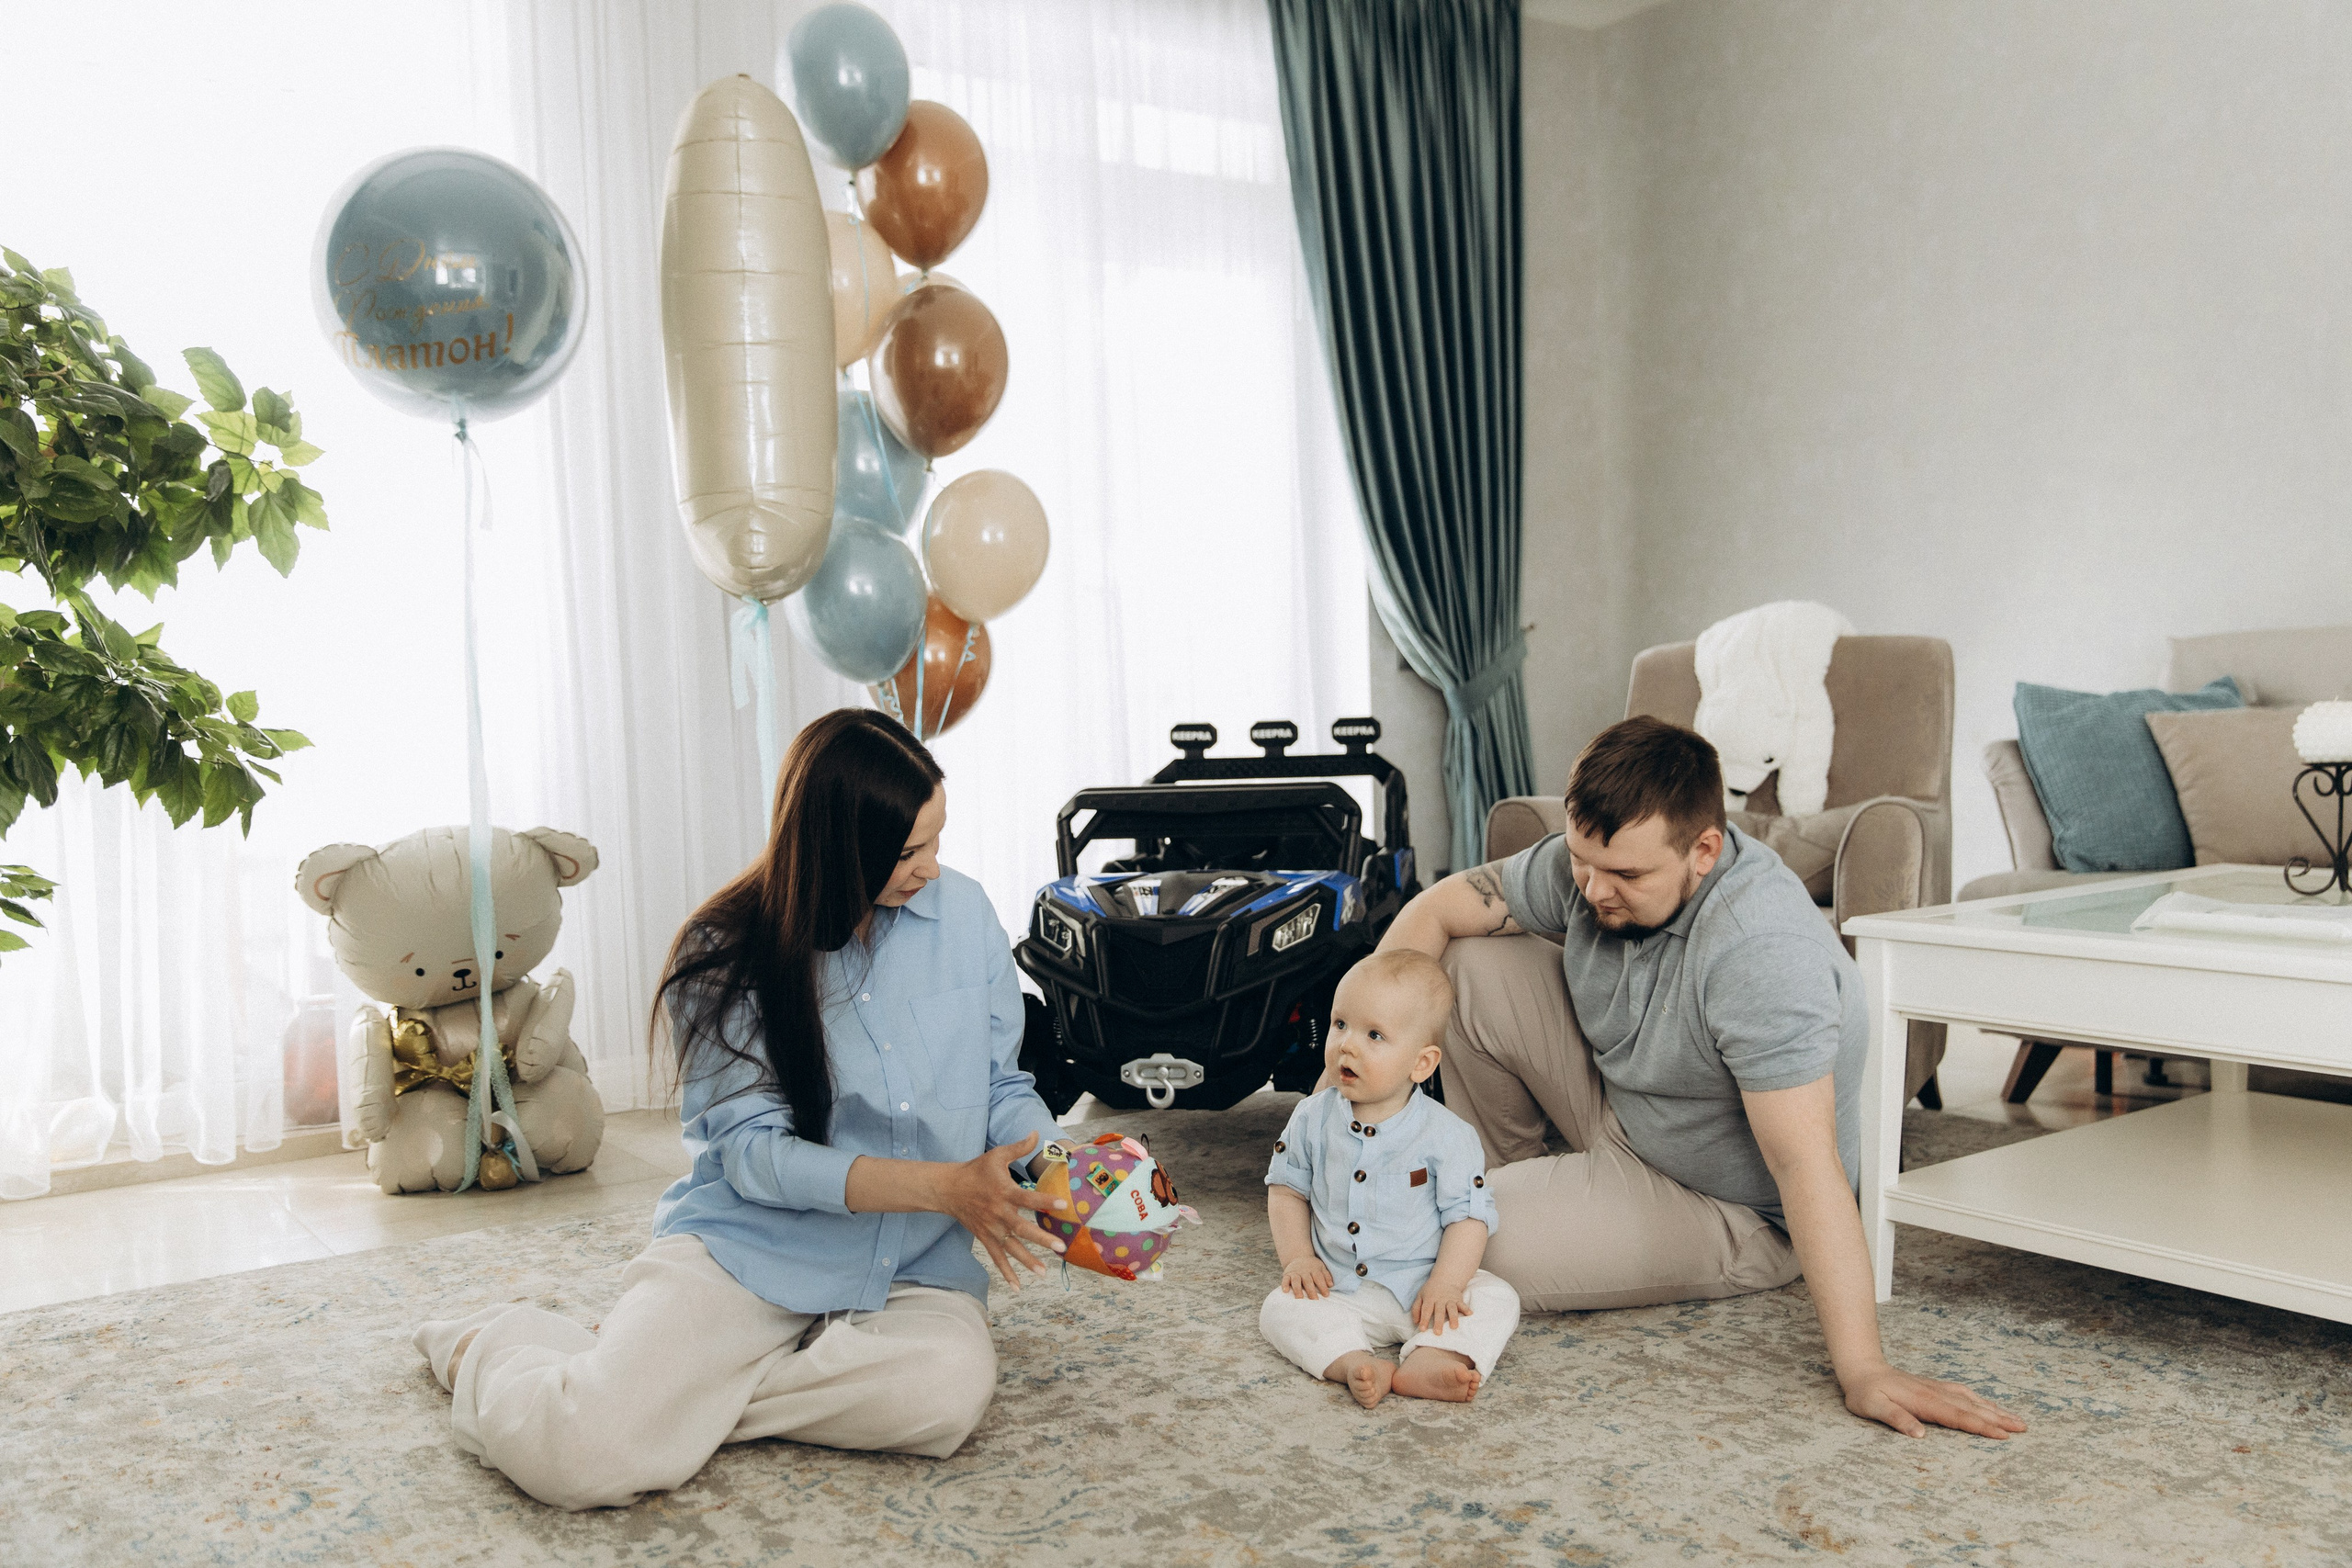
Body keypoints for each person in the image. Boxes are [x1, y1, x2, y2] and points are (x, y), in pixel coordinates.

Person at [411, 708, 1071, 1509]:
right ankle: (497, 1347)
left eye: (937, 839)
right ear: (839, 850)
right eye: (908, 852)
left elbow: (1003, 1086)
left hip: (914, 1266)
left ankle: (667, 1392)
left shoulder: (963, 916)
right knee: (582, 1457)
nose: (932, 868)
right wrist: (946, 1186)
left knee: (942, 1395)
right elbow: (757, 1160)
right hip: (752, 1249)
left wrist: (1062, 1175)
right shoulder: (723, 955)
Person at [1377, 716, 2026, 1441]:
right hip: (1627, 1106)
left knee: (1439, 1234)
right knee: (1463, 966)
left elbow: (1803, 1162)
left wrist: (1865, 1367)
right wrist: (1363, 1061)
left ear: (1704, 851)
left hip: (1728, 1205)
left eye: (1626, 875)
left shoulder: (1759, 951)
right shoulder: (1592, 860)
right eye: (1583, 861)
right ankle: (1523, 1184)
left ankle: (1528, 1207)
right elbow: (1438, 907)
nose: (1594, 889)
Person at [1261, 950, 1521, 1409]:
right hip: (1338, 1287)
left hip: (1423, 1292)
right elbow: (1286, 1190)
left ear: (1421, 1064)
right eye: (1340, 1024)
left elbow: (1468, 1219)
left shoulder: (1449, 1135)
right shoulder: (1310, 1117)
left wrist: (1446, 1284)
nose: (1348, 1044)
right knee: (1279, 1308)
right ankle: (1354, 1361)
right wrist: (1299, 1259)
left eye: (1374, 1034)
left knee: (1498, 1297)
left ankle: (1433, 1355)